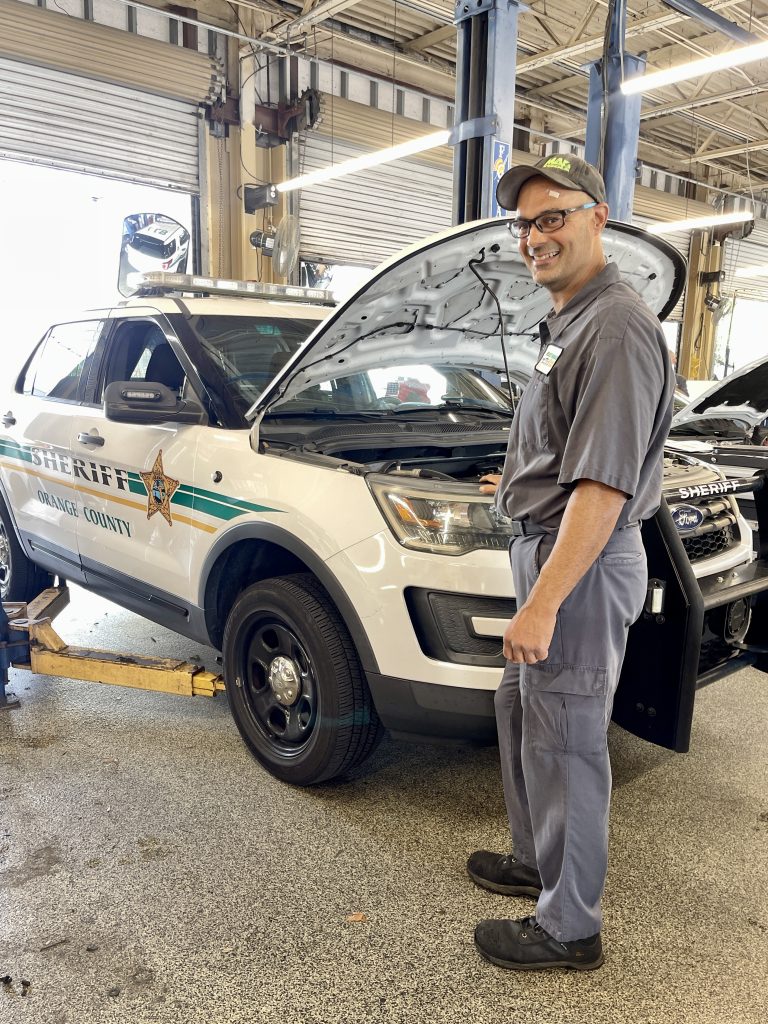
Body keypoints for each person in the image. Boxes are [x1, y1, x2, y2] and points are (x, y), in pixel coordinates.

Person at [468, 154, 675, 971]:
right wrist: (516, 479)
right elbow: (564, 443)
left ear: (598, 216)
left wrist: (545, 601)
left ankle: (570, 927)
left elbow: (602, 485)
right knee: (524, 714)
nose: (534, 236)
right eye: (524, 223)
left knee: (567, 739)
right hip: (550, 548)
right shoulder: (571, 320)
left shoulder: (617, 325)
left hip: (577, 565)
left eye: (552, 216)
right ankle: (535, 860)